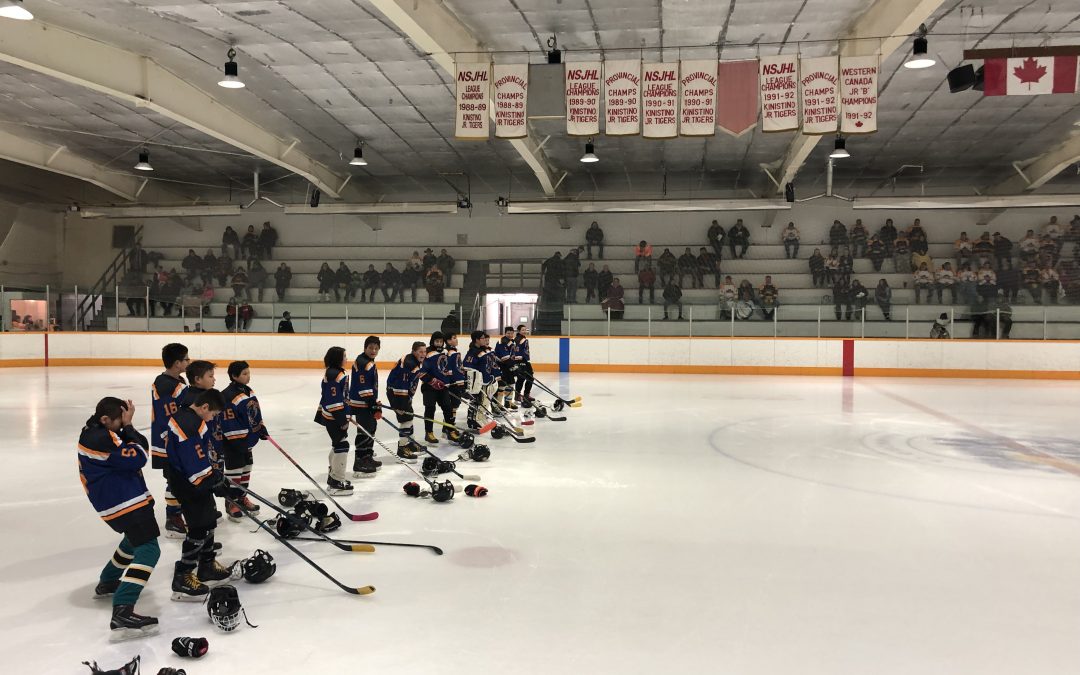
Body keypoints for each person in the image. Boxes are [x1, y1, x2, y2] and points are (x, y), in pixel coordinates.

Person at [79, 396, 160, 640]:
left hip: (114, 499)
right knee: (149, 549)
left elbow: (137, 448)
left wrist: (124, 427)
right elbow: (140, 455)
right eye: (118, 420)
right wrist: (128, 428)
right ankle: (123, 608)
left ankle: (108, 580)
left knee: (133, 540)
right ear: (105, 419)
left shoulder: (95, 429)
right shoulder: (103, 438)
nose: (122, 424)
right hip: (124, 502)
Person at [164, 387, 232, 602]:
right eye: (212, 414)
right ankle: (183, 575)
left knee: (210, 519)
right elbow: (192, 462)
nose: (212, 418)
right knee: (199, 526)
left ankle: (207, 565)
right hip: (187, 483)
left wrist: (214, 478)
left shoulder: (191, 418)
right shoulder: (188, 425)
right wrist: (211, 481)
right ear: (204, 407)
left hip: (195, 480)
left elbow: (200, 458)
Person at [150, 343, 190, 538]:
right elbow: (170, 419)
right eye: (186, 359)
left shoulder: (173, 381)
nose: (189, 362)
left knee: (180, 478)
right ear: (176, 363)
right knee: (174, 480)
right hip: (169, 444)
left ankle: (179, 513)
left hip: (174, 442)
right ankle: (172, 519)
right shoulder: (168, 386)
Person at [220, 361, 266, 521]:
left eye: (248, 372)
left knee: (246, 468)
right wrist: (238, 441)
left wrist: (260, 427)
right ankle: (231, 502)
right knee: (235, 471)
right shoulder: (227, 395)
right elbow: (227, 421)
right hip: (234, 442)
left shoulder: (248, 391)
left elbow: (254, 412)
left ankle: (242, 497)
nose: (248, 376)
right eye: (244, 373)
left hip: (246, 440)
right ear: (234, 376)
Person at [315, 346, 354, 495]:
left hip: (334, 416)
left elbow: (342, 397)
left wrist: (347, 414)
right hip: (333, 418)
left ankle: (333, 478)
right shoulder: (333, 374)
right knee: (342, 445)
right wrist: (342, 419)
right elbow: (333, 401)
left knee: (339, 444)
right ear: (338, 358)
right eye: (344, 356)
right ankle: (336, 482)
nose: (346, 359)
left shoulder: (336, 372)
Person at [348, 336, 383, 477]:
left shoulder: (368, 361)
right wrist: (371, 403)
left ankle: (367, 457)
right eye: (370, 348)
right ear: (365, 348)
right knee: (364, 431)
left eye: (376, 348)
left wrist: (373, 403)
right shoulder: (364, 363)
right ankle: (359, 462)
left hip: (367, 402)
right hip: (361, 403)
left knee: (371, 429)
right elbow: (364, 387)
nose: (373, 351)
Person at [386, 341, 427, 460]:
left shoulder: (415, 362)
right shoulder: (409, 364)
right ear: (414, 351)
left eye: (425, 351)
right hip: (397, 393)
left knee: (409, 417)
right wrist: (400, 405)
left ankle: (410, 444)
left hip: (404, 394)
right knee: (406, 419)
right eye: (420, 351)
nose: (423, 354)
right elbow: (401, 386)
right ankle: (402, 448)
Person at [420, 332, 460, 445]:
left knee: (448, 408)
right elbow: (421, 372)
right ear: (432, 341)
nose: (439, 343)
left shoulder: (445, 352)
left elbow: (446, 368)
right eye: (436, 341)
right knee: (430, 409)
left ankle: (450, 430)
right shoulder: (427, 353)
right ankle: (429, 433)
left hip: (443, 387)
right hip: (429, 387)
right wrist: (432, 381)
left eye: (440, 341)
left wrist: (451, 380)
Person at [463, 331, 498, 431]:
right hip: (478, 382)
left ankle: (480, 418)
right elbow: (467, 367)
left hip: (485, 381)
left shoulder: (483, 351)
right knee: (479, 401)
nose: (484, 340)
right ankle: (475, 420)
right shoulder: (473, 352)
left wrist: (492, 376)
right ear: (476, 340)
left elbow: (488, 365)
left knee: (484, 401)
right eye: (482, 338)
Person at [493, 326, 519, 410]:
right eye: (508, 333)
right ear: (505, 333)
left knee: (511, 384)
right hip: (502, 367)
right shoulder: (502, 342)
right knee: (502, 385)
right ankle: (499, 404)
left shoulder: (512, 342)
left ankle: (508, 402)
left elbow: (512, 356)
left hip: (509, 366)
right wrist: (512, 366)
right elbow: (504, 357)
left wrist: (514, 365)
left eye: (512, 333)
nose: (510, 335)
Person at [511, 326, 534, 405]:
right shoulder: (517, 339)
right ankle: (517, 395)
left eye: (525, 329)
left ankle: (526, 394)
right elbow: (515, 350)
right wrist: (518, 357)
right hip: (520, 361)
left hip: (525, 361)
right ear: (518, 331)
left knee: (530, 378)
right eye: (522, 330)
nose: (524, 331)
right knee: (521, 379)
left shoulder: (524, 339)